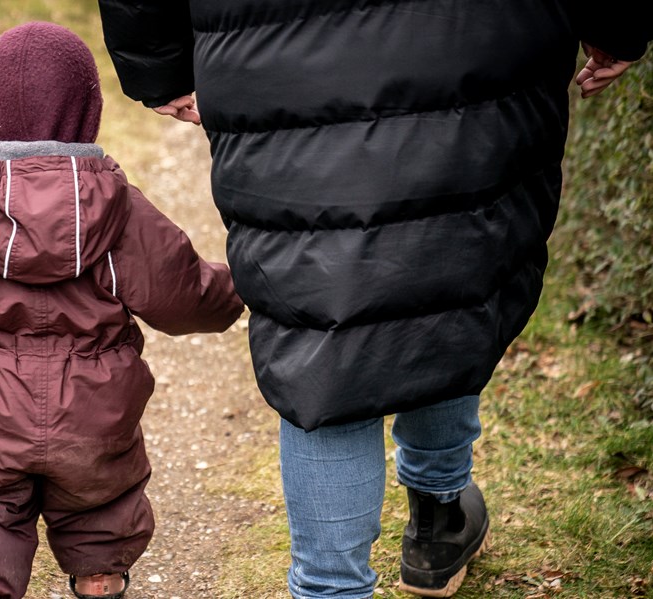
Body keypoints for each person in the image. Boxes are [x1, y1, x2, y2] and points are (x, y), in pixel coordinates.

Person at [96, 2, 652, 598]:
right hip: (474, 42)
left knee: (321, 329)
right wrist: (616, 25)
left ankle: (332, 587)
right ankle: (440, 518)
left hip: (275, 54)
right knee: (449, 270)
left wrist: (159, 62)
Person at [0, 21, 243, 599]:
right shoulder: (121, 208)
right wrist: (238, 288)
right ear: (88, 110)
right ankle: (100, 579)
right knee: (101, 497)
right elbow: (182, 293)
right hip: (93, 409)